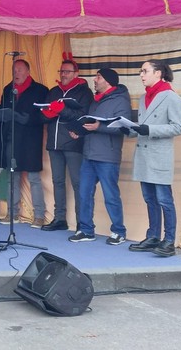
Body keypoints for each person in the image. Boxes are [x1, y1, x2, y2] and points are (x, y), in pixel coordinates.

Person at [126, 60, 181, 257]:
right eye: (140, 71)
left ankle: (169, 240)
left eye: (145, 71)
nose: (141, 75)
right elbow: (144, 124)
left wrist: (148, 129)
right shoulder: (144, 97)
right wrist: (129, 128)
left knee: (164, 200)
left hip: (159, 156)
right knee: (150, 199)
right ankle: (153, 236)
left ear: (158, 73)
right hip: (144, 155)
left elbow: (177, 127)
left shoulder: (171, 97)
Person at [68, 68, 131, 245]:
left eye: (98, 77)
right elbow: (91, 123)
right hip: (89, 154)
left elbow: (123, 128)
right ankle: (86, 230)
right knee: (84, 193)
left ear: (108, 81)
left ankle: (119, 231)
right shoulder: (95, 100)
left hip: (107, 156)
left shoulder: (121, 101)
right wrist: (80, 132)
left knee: (111, 196)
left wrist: (99, 128)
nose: (94, 80)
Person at [39, 58, 93, 232]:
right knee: (58, 181)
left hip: (73, 141)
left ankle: (81, 222)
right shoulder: (54, 91)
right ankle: (59, 218)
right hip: (54, 142)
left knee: (78, 183)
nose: (63, 75)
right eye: (61, 71)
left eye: (67, 71)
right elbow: (43, 115)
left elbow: (83, 115)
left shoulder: (84, 92)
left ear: (76, 74)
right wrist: (47, 113)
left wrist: (62, 110)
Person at [0, 59, 49, 227]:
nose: (17, 73)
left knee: (34, 178)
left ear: (28, 72)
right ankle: (12, 213)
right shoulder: (8, 89)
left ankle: (39, 215)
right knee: (12, 177)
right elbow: (3, 110)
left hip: (30, 139)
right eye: (14, 70)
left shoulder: (40, 90)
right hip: (12, 138)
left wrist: (28, 119)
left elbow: (45, 114)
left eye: (20, 70)